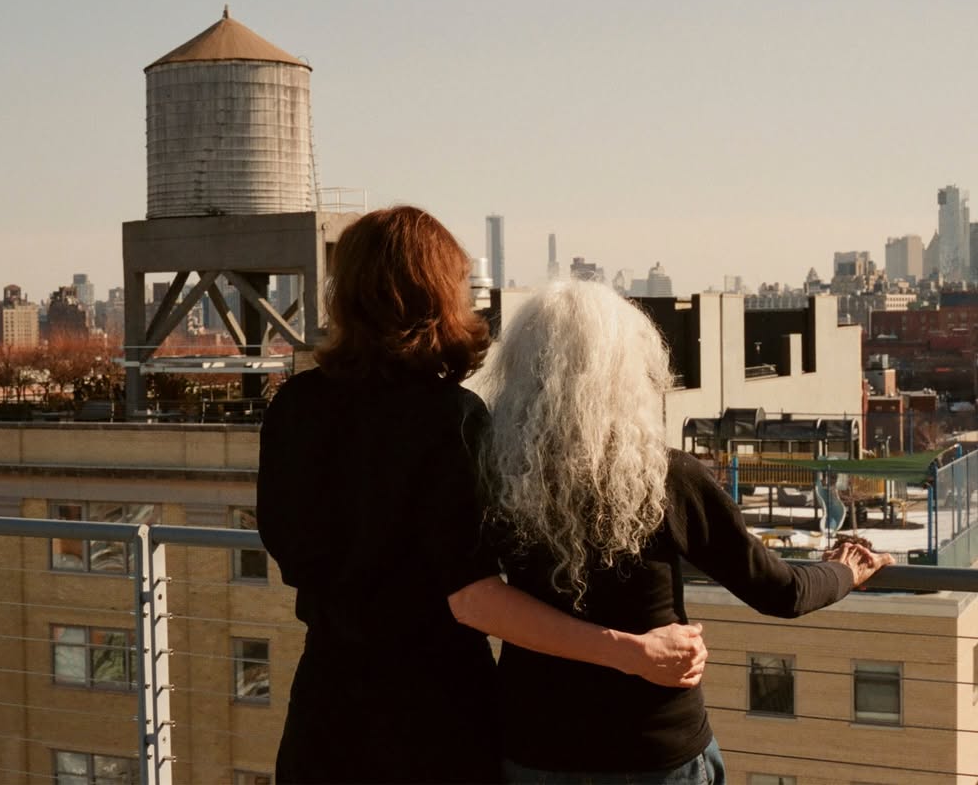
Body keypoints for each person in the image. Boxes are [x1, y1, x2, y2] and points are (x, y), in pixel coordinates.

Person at [256, 207, 708, 785]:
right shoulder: (453, 419)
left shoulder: (295, 405)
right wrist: (633, 650)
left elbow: (292, 550)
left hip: (325, 712)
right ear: (439, 296)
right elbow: (473, 596)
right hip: (435, 717)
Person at [469, 281, 893, 785]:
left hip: (535, 747)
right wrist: (845, 569)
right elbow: (781, 591)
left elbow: (474, 594)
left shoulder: (492, 478)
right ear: (627, 376)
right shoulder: (666, 478)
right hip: (654, 749)